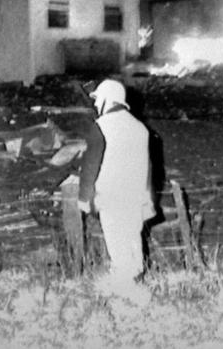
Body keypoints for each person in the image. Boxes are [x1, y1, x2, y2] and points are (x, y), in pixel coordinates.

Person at [78, 79, 156, 288]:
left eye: (97, 100)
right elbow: (147, 166)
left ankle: (123, 286)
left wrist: (84, 197)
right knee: (132, 238)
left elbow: (90, 164)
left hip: (111, 196)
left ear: (107, 99)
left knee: (116, 240)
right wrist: (148, 199)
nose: (95, 105)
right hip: (134, 196)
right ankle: (137, 279)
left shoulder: (100, 127)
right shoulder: (141, 128)